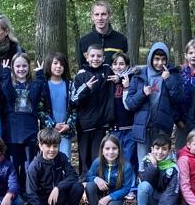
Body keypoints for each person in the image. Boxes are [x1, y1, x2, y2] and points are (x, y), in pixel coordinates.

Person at [124, 42, 184, 174]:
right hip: (143, 128)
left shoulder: (173, 74)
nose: (159, 63)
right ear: (151, 58)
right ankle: (143, 190)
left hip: (162, 127)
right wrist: (142, 94)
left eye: (163, 59)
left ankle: (161, 192)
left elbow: (179, 99)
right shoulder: (139, 75)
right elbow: (130, 103)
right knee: (143, 163)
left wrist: (168, 80)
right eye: (157, 59)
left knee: (162, 163)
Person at [18, 127, 84, 205]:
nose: (52, 150)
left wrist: (58, 187)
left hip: (59, 196)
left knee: (78, 187)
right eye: (48, 146)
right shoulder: (34, 166)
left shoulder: (61, 157)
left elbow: (73, 176)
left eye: (55, 146)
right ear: (40, 146)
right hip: (43, 201)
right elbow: (31, 193)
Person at [0, 52, 46, 186]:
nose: (21, 69)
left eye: (24, 66)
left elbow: (36, 95)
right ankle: (14, 189)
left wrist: (40, 75)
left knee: (29, 162)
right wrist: (6, 74)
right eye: (18, 66)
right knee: (14, 163)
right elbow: (8, 93)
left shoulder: (32, 84)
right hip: (12, 132)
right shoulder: (10, 84)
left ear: (29, 67)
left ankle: (28, 189)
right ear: (13, 68)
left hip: (30, 130)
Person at [71, 43, 115, 175]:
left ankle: (98, 183)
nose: (96, 58)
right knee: (84, 157)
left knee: (98, 156)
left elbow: (126, 71)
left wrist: (119, 78)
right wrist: (85, 88)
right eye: (93, 56)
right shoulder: (81, 75)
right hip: (85, 124)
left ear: (103, 58)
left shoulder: (107, 71)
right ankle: (84, 184)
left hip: (101, 124)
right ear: (87, 58)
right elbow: (73, 100)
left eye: (99, 56)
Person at [84, 135, 135, 205]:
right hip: (101, 191)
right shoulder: (98, 162)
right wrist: (96, 179)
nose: (111, 152)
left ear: (119, 150)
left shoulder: (126, 166)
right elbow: (88, 175)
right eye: (107, 148)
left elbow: (126, 188)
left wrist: (109, 197)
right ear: (102, 150)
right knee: (90, 186)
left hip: (116, 194)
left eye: (114, 148)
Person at [135, 133, 181, 205]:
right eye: (157, 148)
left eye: (164, 149)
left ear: (169, 151)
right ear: (152, 149)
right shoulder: (146, 162)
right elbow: (143, 182)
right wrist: (154, 166)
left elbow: (171, 195)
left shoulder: (173, 168)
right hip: (153, 199)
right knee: (143, 186)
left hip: (167, 201)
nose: (160, 152)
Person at [39, 52, 76, 161]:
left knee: (65, 160)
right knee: (48, 160)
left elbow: (75, 107)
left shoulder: (70, 85)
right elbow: (40, 110)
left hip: (65, 131)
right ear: (49, 65)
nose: (58, 66)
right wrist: (52, 125)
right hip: (48, 131)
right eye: (55, 63)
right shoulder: (43, 85)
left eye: (62, 64)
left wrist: (69, 125)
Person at [77, 0, 128, 67]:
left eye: (103, 14)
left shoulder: (121, 40)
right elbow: (82, 68)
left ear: (109, 15)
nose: (100, 18)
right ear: (92, 17)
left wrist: (119, 77)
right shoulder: (83, 41)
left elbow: (125, 67)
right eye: (97, 14)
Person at [175, 38, 195, 147]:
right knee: (182, 152)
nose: (193, 56)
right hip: (182, 122)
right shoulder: (179, 73)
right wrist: (177, 119)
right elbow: (174, 98)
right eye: (191, 53)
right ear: (186, 55)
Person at [109, 52, 136, 168]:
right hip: (114, 129)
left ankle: (131, 184)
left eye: (121, 64)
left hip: (130, 128)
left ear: (127, 66)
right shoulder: (109, 81)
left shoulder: (132, 80)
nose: (118, 67)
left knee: (129, 159)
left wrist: (124, 84)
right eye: (115, 64)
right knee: (115, 159)